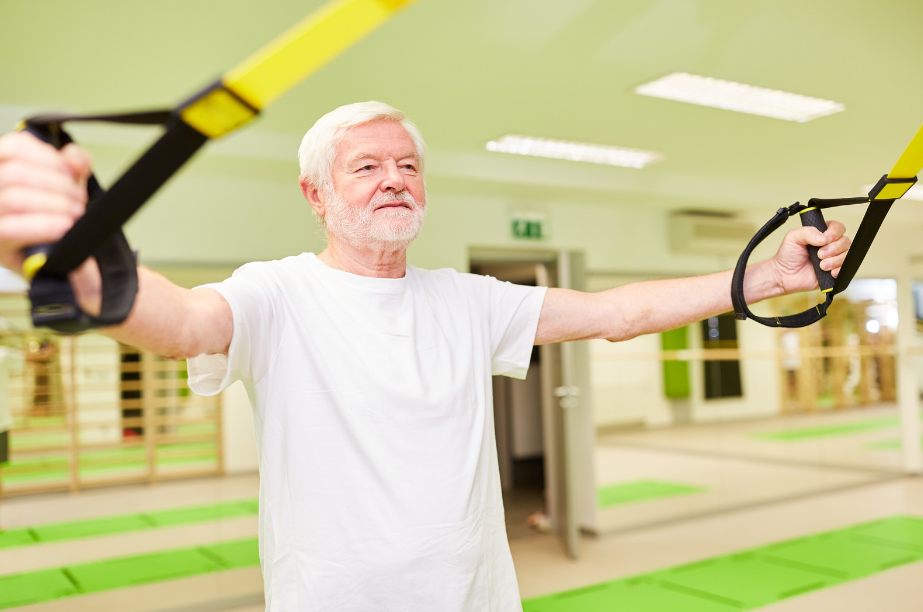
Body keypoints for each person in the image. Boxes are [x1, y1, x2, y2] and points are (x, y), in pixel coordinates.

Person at [0, 101, 851, 611]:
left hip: (477, 595)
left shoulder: (469, 299)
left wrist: (770, 276)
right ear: (317, 195)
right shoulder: (278, 292)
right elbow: (181, 322)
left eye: (406, 164)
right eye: (365, 165)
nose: (393, 178)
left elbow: (618, 311)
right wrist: (83, 261)